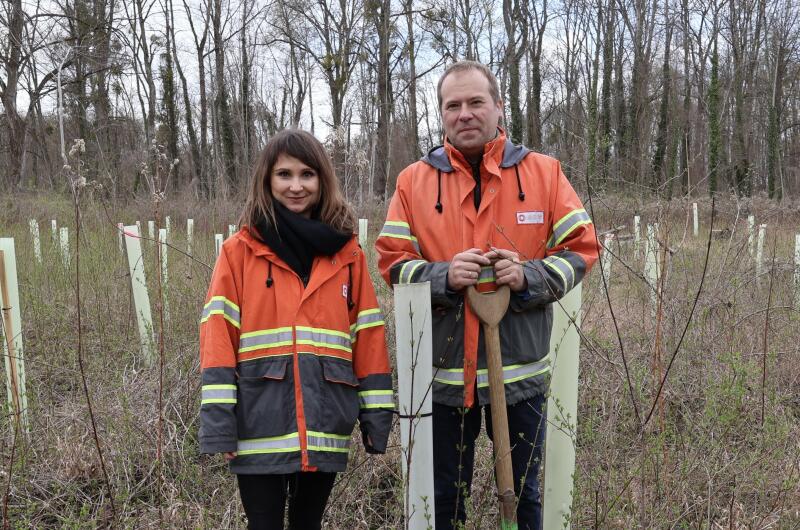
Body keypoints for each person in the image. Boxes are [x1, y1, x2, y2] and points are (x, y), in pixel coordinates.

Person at [375, 61, 598, 530]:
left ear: (498, 106)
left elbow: (581, 248)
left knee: (523, 497)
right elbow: (392, 261)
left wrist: (528, 276)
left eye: (476, 102)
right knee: (444, 501)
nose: (465, 114)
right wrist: (441, 275)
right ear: (440, 115)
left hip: (520, 378)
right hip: (444, 378)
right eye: (452, 105)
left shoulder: (543, 173)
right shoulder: (413, 182)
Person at [199, 129, 394, 530]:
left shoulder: (348, 253)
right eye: (284, 174)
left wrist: (376, 419)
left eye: (307, 174)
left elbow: (368, 337)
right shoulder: (240, 250)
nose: (296, 186)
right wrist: (220, 423)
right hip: (259, 421)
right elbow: (218, 334)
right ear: (267, 181)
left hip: (325, 420)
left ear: (322, 180)